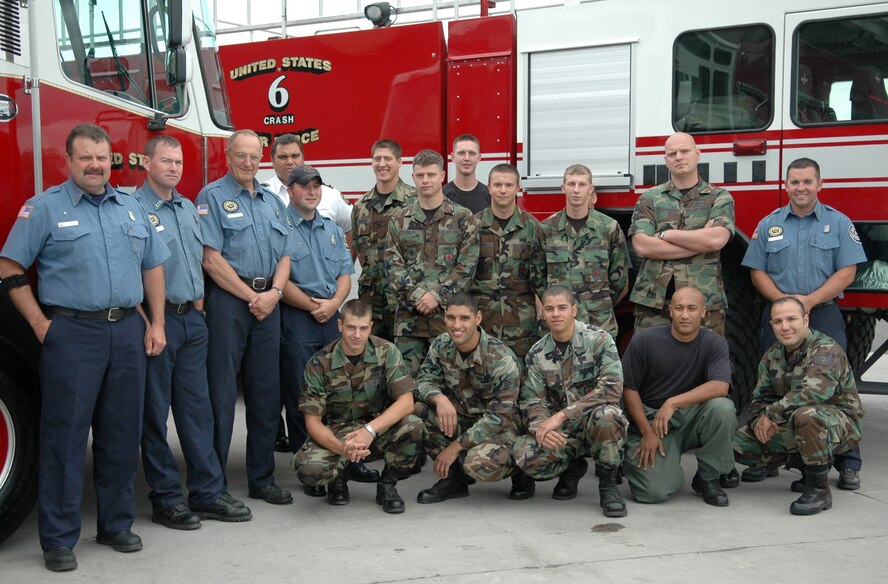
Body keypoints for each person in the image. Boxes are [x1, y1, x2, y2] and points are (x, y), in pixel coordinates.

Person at [0, 124, 168, 571]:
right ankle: (58, 538)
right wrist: (39, 324)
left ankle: (115, 524)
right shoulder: (44, 208)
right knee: (66, 437)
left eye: (102, 157)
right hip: (73, 334)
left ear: (111, 160)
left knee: (121, 434)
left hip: (127, 332)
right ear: (69, 161)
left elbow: (153, 266)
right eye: (86, 157)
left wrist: (156, 323)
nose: (95, 165)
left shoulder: (131, 208)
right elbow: (9, 264)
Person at [134, 136, 252, 530]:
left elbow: (199, 261)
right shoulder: (133, 210)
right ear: (146, 163)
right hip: (159, 323)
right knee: (155, 415)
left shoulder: (187, 208)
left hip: (191, 321)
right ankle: (166, 499)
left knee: (198, 411)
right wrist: (151, 322)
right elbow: (129, 272)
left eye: (178, 162)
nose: (173, 168)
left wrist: (198, 306)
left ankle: (207, 493)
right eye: (165, 161)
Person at [741, 157, 867, 489]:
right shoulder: (769, 224)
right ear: (785, 185)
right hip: (779, 314)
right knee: (773, 383)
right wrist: (785, 306)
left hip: (821, 311)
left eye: (807, 181)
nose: (801, 188)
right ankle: (770, 457)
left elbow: (847, 271)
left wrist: (807, 302)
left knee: (834, 385)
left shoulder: (838, 223)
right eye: (794, 182)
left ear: (820, 185)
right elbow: (757, 271)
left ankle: (848, 462)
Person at [197, 129, 295, 507]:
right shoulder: (212, 197)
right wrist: (252, 296)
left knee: (265, 395)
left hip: (268, 302)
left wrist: (274, 293)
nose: (248, 162)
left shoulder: (273, 201)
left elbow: (285, 255)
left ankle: (262, 479)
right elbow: (211, 259)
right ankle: (214, 485)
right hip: (229, 302)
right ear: (228, 156)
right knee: (221, 396)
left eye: (254, 156)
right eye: (241, 155)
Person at [279, 164, 377, 492]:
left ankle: (347, 462)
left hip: (330, 317)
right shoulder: (279, 227)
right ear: (290, 190)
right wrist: (314, 306)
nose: (311, 192)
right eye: (304, 186)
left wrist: (334, 304)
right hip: (298, 318)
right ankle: (307, 465)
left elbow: (345, 274)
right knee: (302, 395)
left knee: (341, 395)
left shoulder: (331, 229)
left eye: (316, 186)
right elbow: (281, 280)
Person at [733, 297, 864, 515]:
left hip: (840, 425)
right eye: (778, 321)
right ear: (772, 325)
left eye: (791, 319)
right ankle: (801, 463)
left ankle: (819, 489)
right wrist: (759, 422)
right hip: (792, 420)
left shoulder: (826, 350)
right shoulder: (772, 355)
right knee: (737, 444)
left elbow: (811, 394)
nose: (785, 326)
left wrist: (771, 415)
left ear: (805, 320)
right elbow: (758, 399)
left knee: (807, 415)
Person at [292, 299, 425, 513]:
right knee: (310, 470)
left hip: (377, 429)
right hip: (338, 432)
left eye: (363, 328)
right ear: (340, 325)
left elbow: (406, 402)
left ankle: (387, 484)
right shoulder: (319, 363)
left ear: (371, 327)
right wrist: (342, 449)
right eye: (351, 327)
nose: (357, 335)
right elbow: (313, 423)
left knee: (414, 425)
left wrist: (369, 430)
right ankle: (338, 479)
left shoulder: (386, 351)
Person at [512, 286, 628, 517]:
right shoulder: (537, 353)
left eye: (562, 308)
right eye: (549, 309)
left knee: (608, 417)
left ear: (574, 310)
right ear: (542, 313)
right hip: (563, 432)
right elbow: (532, 400)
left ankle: (608, 485)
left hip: (594, 423)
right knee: (524, 454)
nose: (556, 314)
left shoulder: (599, 340)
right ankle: (572, 468)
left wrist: (562, 415)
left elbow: (611, 389)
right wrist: (541, 427)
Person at [413, 293, 533, 503]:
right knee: (418, 412)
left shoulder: (501, 359)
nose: (456, 325)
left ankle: (520, 470)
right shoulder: (441, 344)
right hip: (464, 417)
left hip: (501, 428)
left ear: (478, 318)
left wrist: (454, 448)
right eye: (451, 318)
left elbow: (499, 418)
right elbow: (423, 381)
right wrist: (439, 398)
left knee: (476, 463)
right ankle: (454, 480)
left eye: (464, 318)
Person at [621, 287, 735, 507]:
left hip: (691, 418)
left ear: (703, 312)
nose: (685, 315)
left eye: (692, 309)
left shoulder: (714, 343)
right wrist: (646, 432)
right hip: (653, 422)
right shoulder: (645, 340)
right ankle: (637, 462)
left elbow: (721, 386)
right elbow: (628, 388)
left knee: (722, 408)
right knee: (652, 493)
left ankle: (708, 478)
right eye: (679, 308)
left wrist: (672, 402)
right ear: (670, 311)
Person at [628, 132, 735, 335]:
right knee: (651, 355)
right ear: (666, 160)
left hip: (704, 303)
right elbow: (642, 246)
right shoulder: (650, 198)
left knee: (705, 355)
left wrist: (665, 235)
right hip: (654, 303)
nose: (679, 157)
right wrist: (700, 242)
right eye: (672, 153)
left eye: (684, 151)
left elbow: (716, 240)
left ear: (697, 154)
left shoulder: (719, 197)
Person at [384, 149, 480, 375]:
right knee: (407, 385)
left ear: (442, 176)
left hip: (449, 322)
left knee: (451, 382)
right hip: (409, 324)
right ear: (413, 177)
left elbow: (466, 267)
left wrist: (437, 296)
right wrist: (418, 297)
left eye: (431, 174)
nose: (425, 180)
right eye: (420, 175)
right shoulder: (399, 219)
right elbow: (392, 266)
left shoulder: (462, 218)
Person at [540, 164, 629, 337]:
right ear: (563, 188)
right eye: (571, 184)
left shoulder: (609, 227)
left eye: (582, 184)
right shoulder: (546, 228)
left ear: (591, 188)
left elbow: (619, 279)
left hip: (598, 324)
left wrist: (598, 304)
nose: (576, 190)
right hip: (559, 324)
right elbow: (538, 277)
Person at [470, 163, 546, 361]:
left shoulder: (532, 227)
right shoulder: (473, 226)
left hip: (522, 324)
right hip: (483, 320)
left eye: (508, 185)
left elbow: (541, 277)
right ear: (489, 187)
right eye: (497, 185)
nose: (503, 190)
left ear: (518, 188)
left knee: (522, 372)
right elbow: (464, 273)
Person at [351, 139, 416, 340]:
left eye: (388, 158)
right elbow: (359, 250)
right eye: (377, 159)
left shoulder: (415, 202)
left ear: (399, 162)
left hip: (404, 299)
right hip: (371, 300)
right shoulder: (361, 206)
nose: (382, 164)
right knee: (371, 354)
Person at [263, 134, 354, 251]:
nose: (290, 161)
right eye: (283, 157)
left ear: (303, 157)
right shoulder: (262, 196)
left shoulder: (329, 194)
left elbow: (352, 227)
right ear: (272, 160)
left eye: (295, 156)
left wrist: (345, 260)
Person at [443, 134, 490, 214]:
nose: (467, 158)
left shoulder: (490, 196)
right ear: (453, 157)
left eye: (472, 153)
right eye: (461, 153)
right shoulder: (441, 195)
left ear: (479, 158)